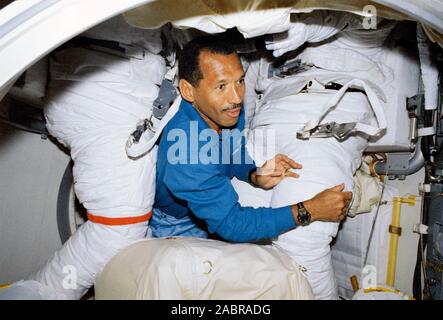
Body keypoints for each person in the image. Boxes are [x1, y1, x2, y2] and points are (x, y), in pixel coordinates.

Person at [151, 35, 352, 242]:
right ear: (188, 91)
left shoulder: (222, 110)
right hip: (176, 223)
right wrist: (310, 209)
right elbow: (234, 224)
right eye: (221, 86)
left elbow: (232, 151)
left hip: (210, 203)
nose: (237, 97)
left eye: (239, 81)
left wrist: (253, 174)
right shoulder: (187, 150)